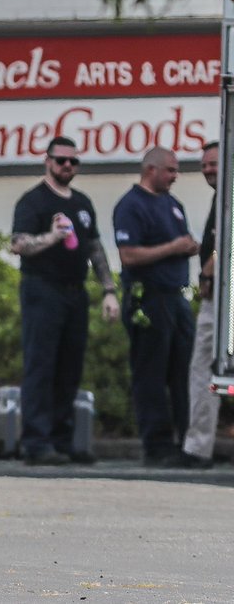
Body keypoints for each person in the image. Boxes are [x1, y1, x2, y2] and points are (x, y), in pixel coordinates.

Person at [9, 136, 120, 466]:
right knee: (41, 365)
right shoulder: (33, 201)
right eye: (61, 161)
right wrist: (52, 237)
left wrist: (109, 290)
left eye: (74, 162)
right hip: (43, 290)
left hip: (76, 292)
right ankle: (36, 442)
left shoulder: (82, 203)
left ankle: (62, 439)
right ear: (48, 162)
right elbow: (18, 243)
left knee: (69, 367)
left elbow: (95, 249)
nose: (68, 166)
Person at [113, 146, 199, 466]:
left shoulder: (172, 204)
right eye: (171, 170)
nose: (175, 176)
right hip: (146, 297)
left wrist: (190, 248)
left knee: (183, 371)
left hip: (176, 296)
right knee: (151, 372)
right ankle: (156, 446)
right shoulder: (131, 205)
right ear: (151, 169)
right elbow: (129, 255)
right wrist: (174, 247)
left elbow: (181, 241)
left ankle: (186, 443)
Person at [180, 141, 221, 469]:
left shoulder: (229, 194)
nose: (208, 170)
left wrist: (207, 274)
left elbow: (226, 243)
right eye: (205, 165)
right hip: (221, 297)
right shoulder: (221, 196)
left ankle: (197, 449)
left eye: (214, 164)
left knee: (202, 368)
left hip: (222, 298)